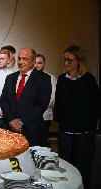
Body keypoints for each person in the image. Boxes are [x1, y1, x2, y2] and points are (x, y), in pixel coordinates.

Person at [54, 45, 100, 189]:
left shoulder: (88, 79)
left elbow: (96, 106)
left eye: (70, 60)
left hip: (84, 132)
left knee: (83, 166)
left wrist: (89, 124)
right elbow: (59, 104)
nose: (66, 63)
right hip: (66, 131)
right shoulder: (62, 79)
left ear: (79, 61)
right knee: (66, 166)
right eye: (64, 59)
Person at [0, 48, 51, 146]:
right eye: (19, 59)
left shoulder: (43, 79)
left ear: (33, 61)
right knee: (11, 161)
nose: (20, 62)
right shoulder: (10, 78)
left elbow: (41, 105)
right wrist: (11, 120)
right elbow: (4, 101)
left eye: (25, 59)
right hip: (10, 128)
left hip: (31, 129)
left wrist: (21, 121)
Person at [34, 54, 57, 146]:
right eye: (35, 62)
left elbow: (52, 99)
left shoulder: (51, 78)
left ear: (44, 64)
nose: (36, 65)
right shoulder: (25, 77)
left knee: (42, 143)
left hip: (44, 117)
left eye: (39, 63)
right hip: (28, 118)